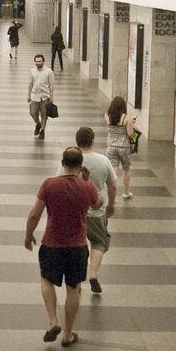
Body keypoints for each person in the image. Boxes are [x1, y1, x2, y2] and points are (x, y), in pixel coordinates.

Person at [25, 147, 102, 347]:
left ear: (62, 162)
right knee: (74, 289)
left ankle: (52, 322)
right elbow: (98, 204)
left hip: (52, 244)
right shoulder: (87, 187)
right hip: (77, 246)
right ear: (81, 165)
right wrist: (88, 181)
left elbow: (35, 214)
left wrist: (28, 234)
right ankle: (67, 334)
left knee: (46, 280)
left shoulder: (49, 184)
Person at [64, 126, 117, 294]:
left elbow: (62, 182)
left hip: (75, 212)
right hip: (97, 211)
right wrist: (111, 205)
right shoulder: (103, 160)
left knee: (77, 246)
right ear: (93, 141)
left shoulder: (72, 160)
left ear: (77, 142)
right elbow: (113, 185)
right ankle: (93, 274)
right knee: (100, 242)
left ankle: (77, 282)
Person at [103, 96, 136, 199]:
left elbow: (112, 125)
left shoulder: (107, 116)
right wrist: (131, 124)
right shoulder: (127, 118)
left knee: (112, 170)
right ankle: (126, 192)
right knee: (126, 169)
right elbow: (130, 134)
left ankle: (108, 192)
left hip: (111, 147)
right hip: (124, 148)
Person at [27, 54, 54, 139]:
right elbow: (30, 84)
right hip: (34, 96)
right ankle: (38, 124)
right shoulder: (32, 71)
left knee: (44, 115)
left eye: (39, 61)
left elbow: (51, 85)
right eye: (36, 61)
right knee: (33, 113)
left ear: (43, 61)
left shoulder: (49, 72)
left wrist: (51, 97)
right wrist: (28, 95)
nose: (38, 63)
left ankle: (42, 131)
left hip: (45, 96)